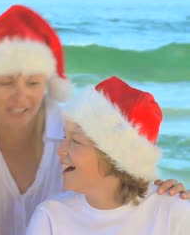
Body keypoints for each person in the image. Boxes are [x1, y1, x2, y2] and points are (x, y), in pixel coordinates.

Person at [0, 4, 190, 235]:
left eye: (32, 83)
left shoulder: (78, 126)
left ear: (48, 82)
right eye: (6, 83)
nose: (20, 96)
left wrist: (164, 192)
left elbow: (122, 176)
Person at [26, 76, 190, 234]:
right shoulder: (50, 217)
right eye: (64, 137)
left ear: (115, 157)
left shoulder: (175, 212)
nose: (60, 150)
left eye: (75, 141)